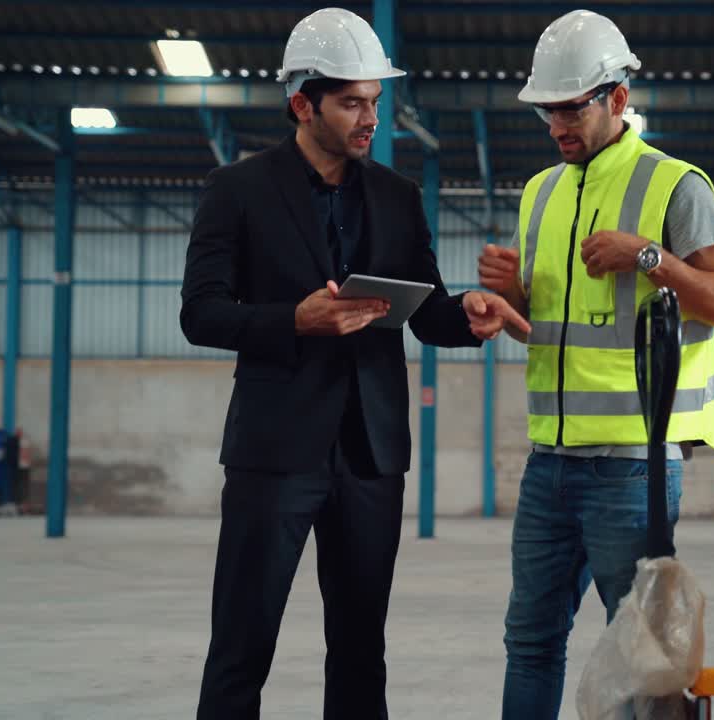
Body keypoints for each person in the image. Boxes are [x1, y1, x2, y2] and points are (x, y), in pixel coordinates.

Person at [181, 8, 528, 719]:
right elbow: (201, 313)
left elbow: (424, 312)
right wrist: (294, 319)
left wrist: (468, 312)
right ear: (302, 105)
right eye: (351, 103)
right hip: (276, 450)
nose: (370, 118)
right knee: (242, 645)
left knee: (362, 648)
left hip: (371, 455)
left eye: (374, 101)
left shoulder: (398, 198)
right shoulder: (237, 189)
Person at [477, 9, 714, 719]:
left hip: (631, 468)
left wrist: (649, 257)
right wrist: (507, 300)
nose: (557, 127)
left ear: (618, 98)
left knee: (639, 660)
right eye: (548, 112)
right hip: (549, 464)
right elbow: (547, 332)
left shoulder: (675, 186)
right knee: (529, 641)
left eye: (571, 109)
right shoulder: (541, 193)